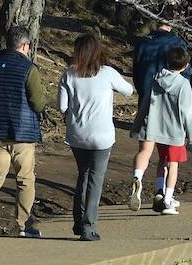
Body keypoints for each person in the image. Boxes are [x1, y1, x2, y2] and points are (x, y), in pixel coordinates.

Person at [0, 27, 45, 240]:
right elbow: (38, 102)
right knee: (25, 179)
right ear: (24, 46)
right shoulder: (29, 68)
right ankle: (24, 224)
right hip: (23, 133)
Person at [59, 33, 134, 240]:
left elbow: (62, 106)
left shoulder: (69, 74)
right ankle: (88, 226)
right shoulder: (108, 73)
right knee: (95, 179)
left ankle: (77, 221)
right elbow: (129, 90)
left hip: (77, 135)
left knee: (83, 175)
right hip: (101, 137)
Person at [129, 46, 192, 215]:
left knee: (156, 158)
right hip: (174, 132)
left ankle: (145, 182)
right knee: (172, 165)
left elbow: (145, 103)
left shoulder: (156, 78)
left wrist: (136, 126)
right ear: (186, 65)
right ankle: (167, 199)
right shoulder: (183, 84)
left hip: (154, 127)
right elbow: (187, 114)